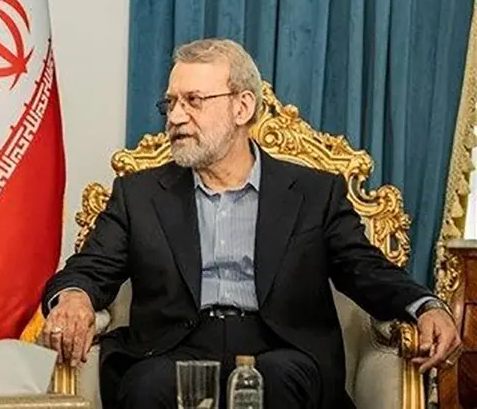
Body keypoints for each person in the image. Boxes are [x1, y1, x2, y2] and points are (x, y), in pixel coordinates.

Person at [39, 38, 460, 409]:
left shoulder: (314, 194)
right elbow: (90, 267)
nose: (175, 117)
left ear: (242, 107)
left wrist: (424, 306)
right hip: (171, 349)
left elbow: (365, 269)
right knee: (148, 385)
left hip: (281, 348)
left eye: (193, 101)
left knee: (278, 378)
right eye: (171, 103)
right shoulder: (140, 195)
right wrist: (74, 297)